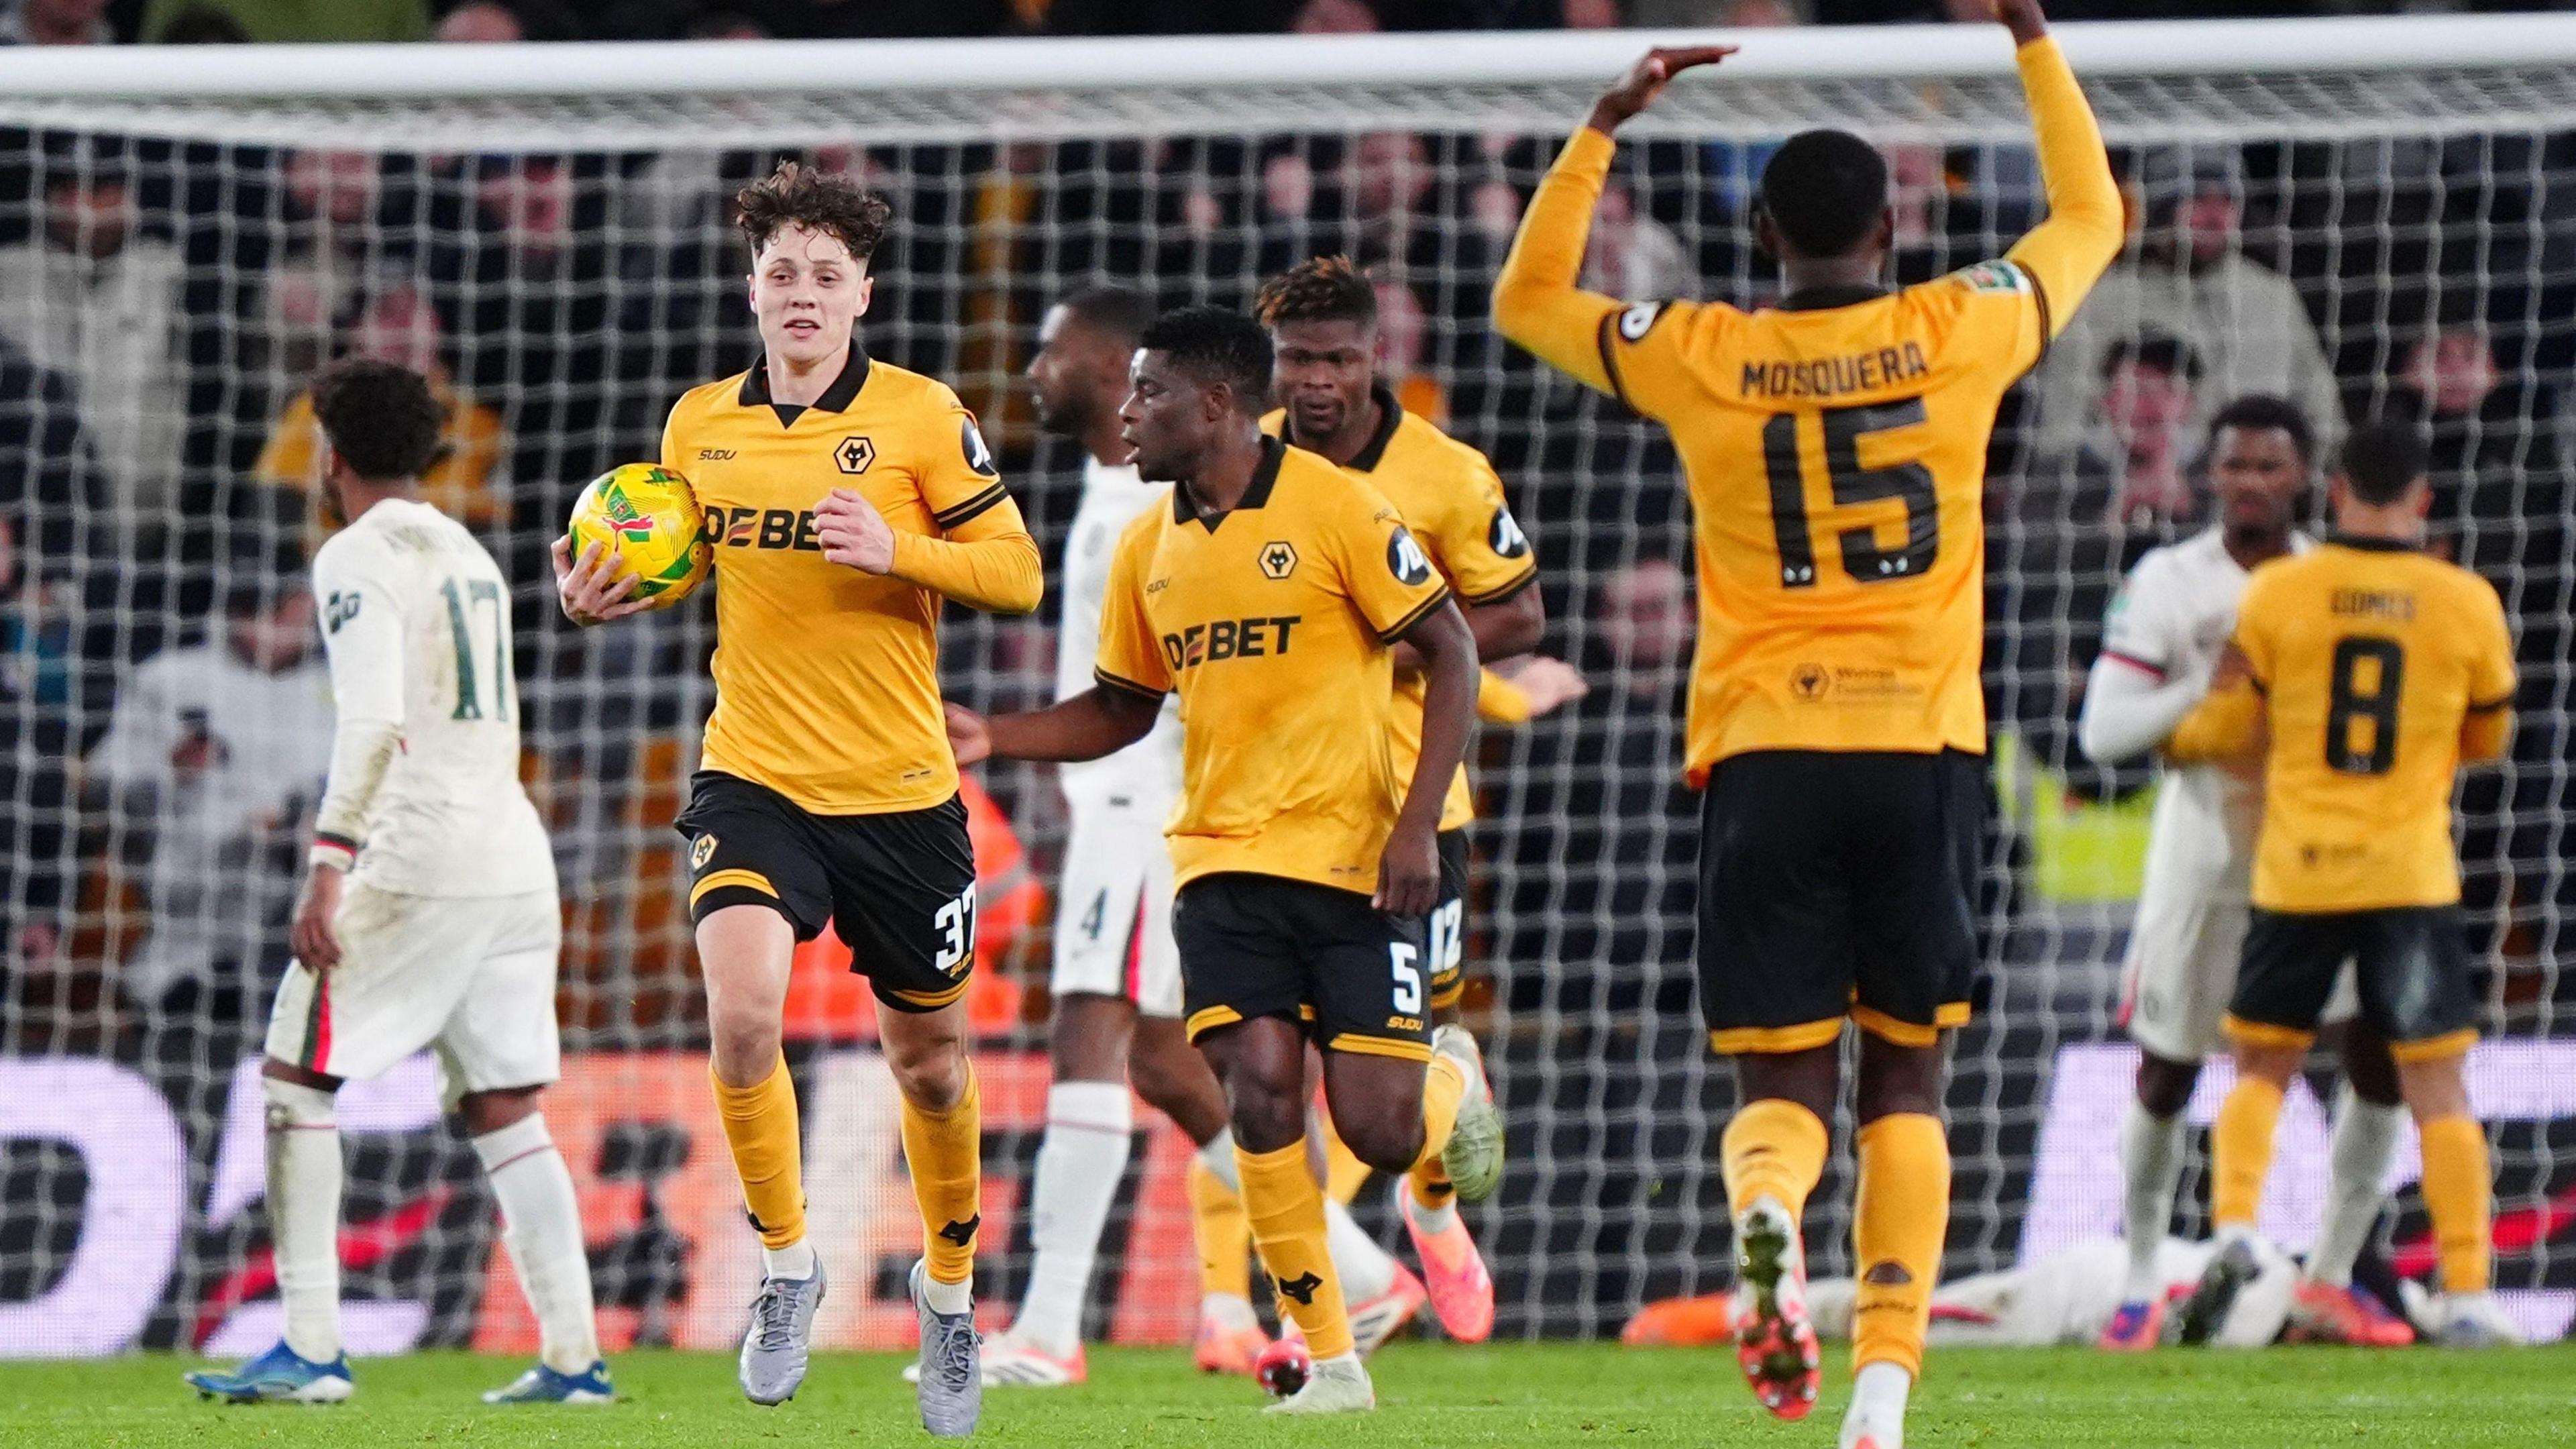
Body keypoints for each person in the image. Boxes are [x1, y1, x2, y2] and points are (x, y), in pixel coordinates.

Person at [1491, 3, 2119, 1444]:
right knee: (1912, 1073)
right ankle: (1883, 1395)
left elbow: (1526, 302)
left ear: (1762, 240)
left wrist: (1601, 126)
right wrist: (2027, 34)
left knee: (1783, 1074)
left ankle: (1769, 1213)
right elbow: (2093, 208)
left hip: (1765, 750)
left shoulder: (1702, 350)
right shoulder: (1960, 327)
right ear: (1891, 233)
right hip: (1922, 750)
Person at [943, 307, 1503, 1416]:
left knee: (1381, 1133)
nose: (1129, 412)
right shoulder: (1151, 548)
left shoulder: (1341, 507)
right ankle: (1333, 1365)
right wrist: (998, 737)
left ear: (1216, 405)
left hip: (1352, 861)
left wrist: (1413, 825)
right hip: (1217, 869)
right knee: (1258, 1101)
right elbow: (1120, 705)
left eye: (1148, 393)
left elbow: (1454, 650)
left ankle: (1448, 1077)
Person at [553, 160, 1040, 1432]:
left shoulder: (927, 419)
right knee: (744, 1020)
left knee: (930, 1069)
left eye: (828, 275)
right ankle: (786, 1269)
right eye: (783, 275)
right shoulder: (696, 426)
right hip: (754, 773)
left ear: (864, 293)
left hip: (902, 792)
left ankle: (947, 1297)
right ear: (754, 292)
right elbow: (676, 557)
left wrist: (899, 549)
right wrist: (600, 593)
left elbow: (1018, 572)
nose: (804, 295)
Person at [179, 360, 606, 1406]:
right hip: (512, 849)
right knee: (506, 1108)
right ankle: (573, 1361)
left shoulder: (353, 555)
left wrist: (328, 864)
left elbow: (374, 723)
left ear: (330, 458)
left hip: (421, 856)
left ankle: (313, 1348)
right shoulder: (468, 549)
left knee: (292, 1079)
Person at [2166, 421, 2522, 1351]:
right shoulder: (2467, 602)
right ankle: (2473, 1293)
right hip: (2409, 873)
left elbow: (2236, 729)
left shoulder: (2279, 592)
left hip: (2299, 868)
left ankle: (2237, 1229)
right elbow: (2488, 742)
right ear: (2423, 502)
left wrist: (2172, 736)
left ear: (2332, 493)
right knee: (2437, 1085)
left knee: (2261, 1067)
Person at [1256, 254, 1553, 1344]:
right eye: (1297, 359)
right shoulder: (1245, 466)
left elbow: (1517, 617)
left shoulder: (1446, 473)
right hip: (1278, 807)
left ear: (1378, 357)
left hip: (1411, 804)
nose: (1317, 380)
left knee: (1390, 1063)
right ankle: (1321, 1306)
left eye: (1337, 358)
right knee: (1276, 1061)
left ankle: (1430, 1210)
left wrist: (1400, 642)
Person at [2076, 394, 2412, 1351]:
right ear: (2208, 473)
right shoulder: (2169, 579)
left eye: (2271, 467)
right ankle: (2143, 1277)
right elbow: (2101, 736)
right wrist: (2206, 682)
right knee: (2167, 1074)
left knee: (2373, 1059)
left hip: (2323, 861)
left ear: (2306, 477)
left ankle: (2333, 1277)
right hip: (2202, 866)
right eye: (2236, 466)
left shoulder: (2339, 579)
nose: (2252, 483)